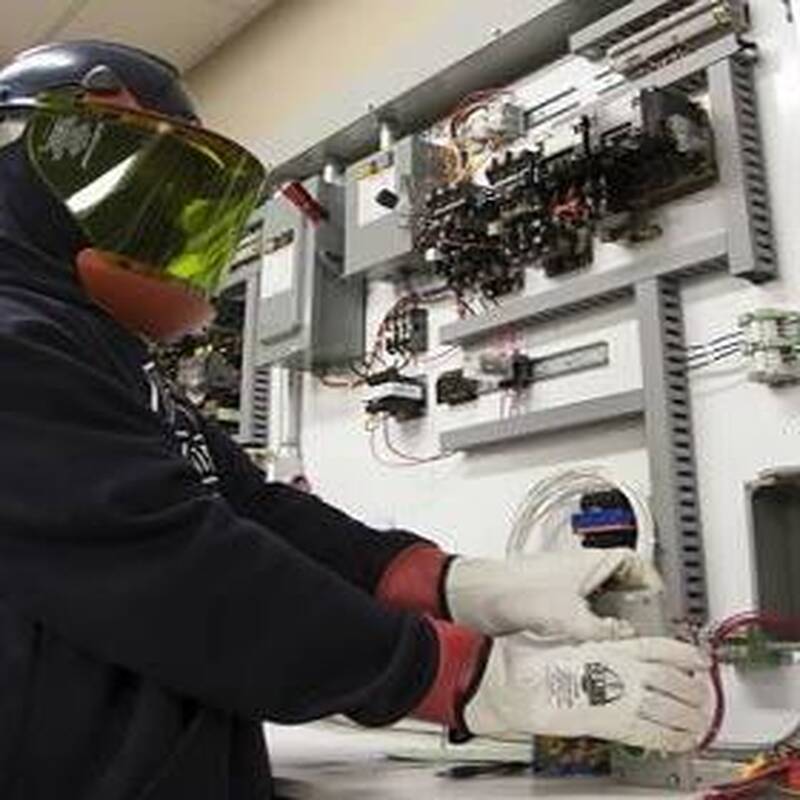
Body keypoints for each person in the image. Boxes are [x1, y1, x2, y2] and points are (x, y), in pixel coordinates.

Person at [0, 41, 711, 800]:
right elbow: (178, 572)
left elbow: (255, 511)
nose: (161, 228)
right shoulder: (15, 340)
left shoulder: (100, 354)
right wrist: (473, 678)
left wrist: (467, 585)